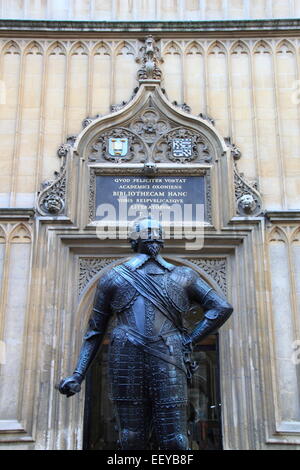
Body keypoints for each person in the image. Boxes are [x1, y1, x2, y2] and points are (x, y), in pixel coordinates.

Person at [58, 218, 233, 450]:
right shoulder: (130, 277)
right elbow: (221, 307)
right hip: (143, 357)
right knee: (156, 439)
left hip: (152, 358)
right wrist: (188, 340)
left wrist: (78, 375)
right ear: (162, 241)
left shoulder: (116, 277)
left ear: (133, 242)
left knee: (152, 439)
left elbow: (95, 332)